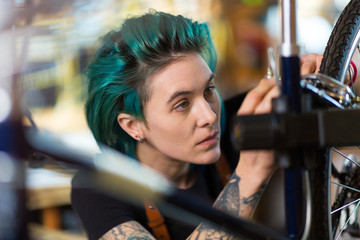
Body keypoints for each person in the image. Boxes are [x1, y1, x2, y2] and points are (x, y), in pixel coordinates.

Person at [71, 10, 322, 240]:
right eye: (181, 104)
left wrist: (323, 73)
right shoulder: (99, 187)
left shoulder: (238, 124)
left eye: (209, 90)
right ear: (132, 125)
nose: (209, 116)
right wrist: (251, 173)